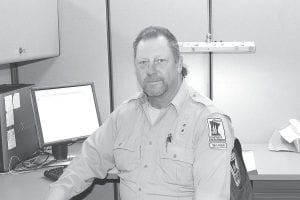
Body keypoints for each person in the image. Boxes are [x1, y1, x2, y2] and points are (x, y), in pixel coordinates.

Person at [45, 26, 235, 200]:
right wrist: (58, 193)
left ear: (178, 64)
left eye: (160, 61)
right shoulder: (124, 115)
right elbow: (85, 163)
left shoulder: (208, 121)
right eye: (142, 62)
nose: (150, 70)